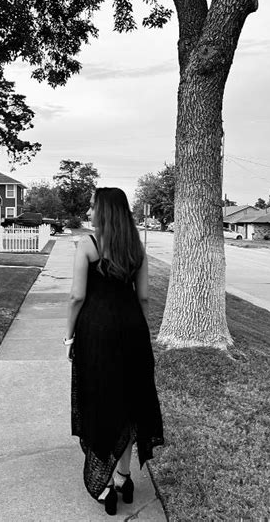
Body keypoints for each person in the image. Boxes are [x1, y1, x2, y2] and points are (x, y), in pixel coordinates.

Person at [64, 187, 164, 516]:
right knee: (130, 404)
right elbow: (144, 297)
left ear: (105, 211)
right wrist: (138, 330)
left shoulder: (88, 245)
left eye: (93, 206)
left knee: (98, 402)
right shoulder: (137, 247)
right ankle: (123, 477)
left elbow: (77, 297)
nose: (89, 212)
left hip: (96, 334)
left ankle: (105, 485)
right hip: (132, 331)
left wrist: (69, 337)